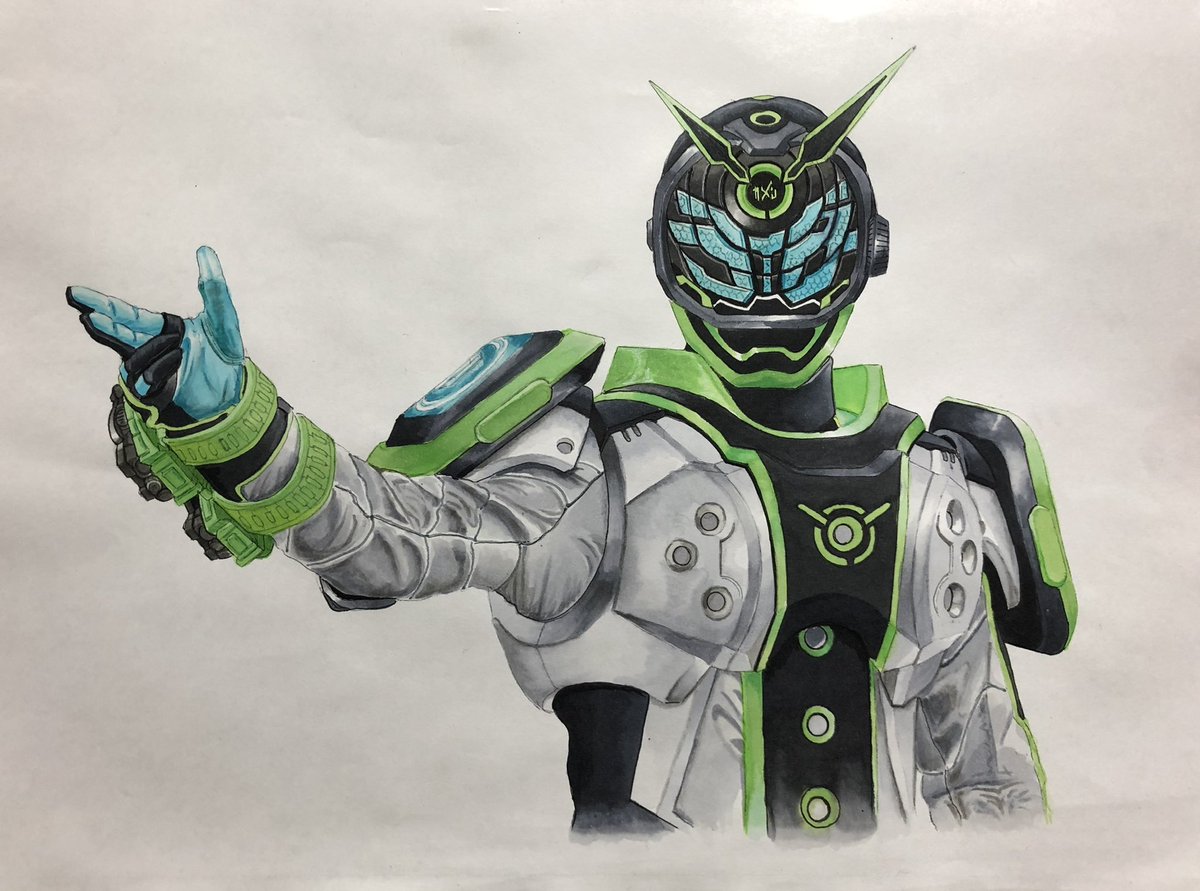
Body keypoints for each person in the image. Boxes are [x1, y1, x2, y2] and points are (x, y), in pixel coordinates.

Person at [66, 50, 1076, 839]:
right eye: (733, 251)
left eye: (798, 248)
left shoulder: (938, 483)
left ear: (862, 253)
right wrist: (238, 426)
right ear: (674, 257)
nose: (766, 281)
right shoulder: (603, 465)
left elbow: (988, 783)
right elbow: (385, 537)